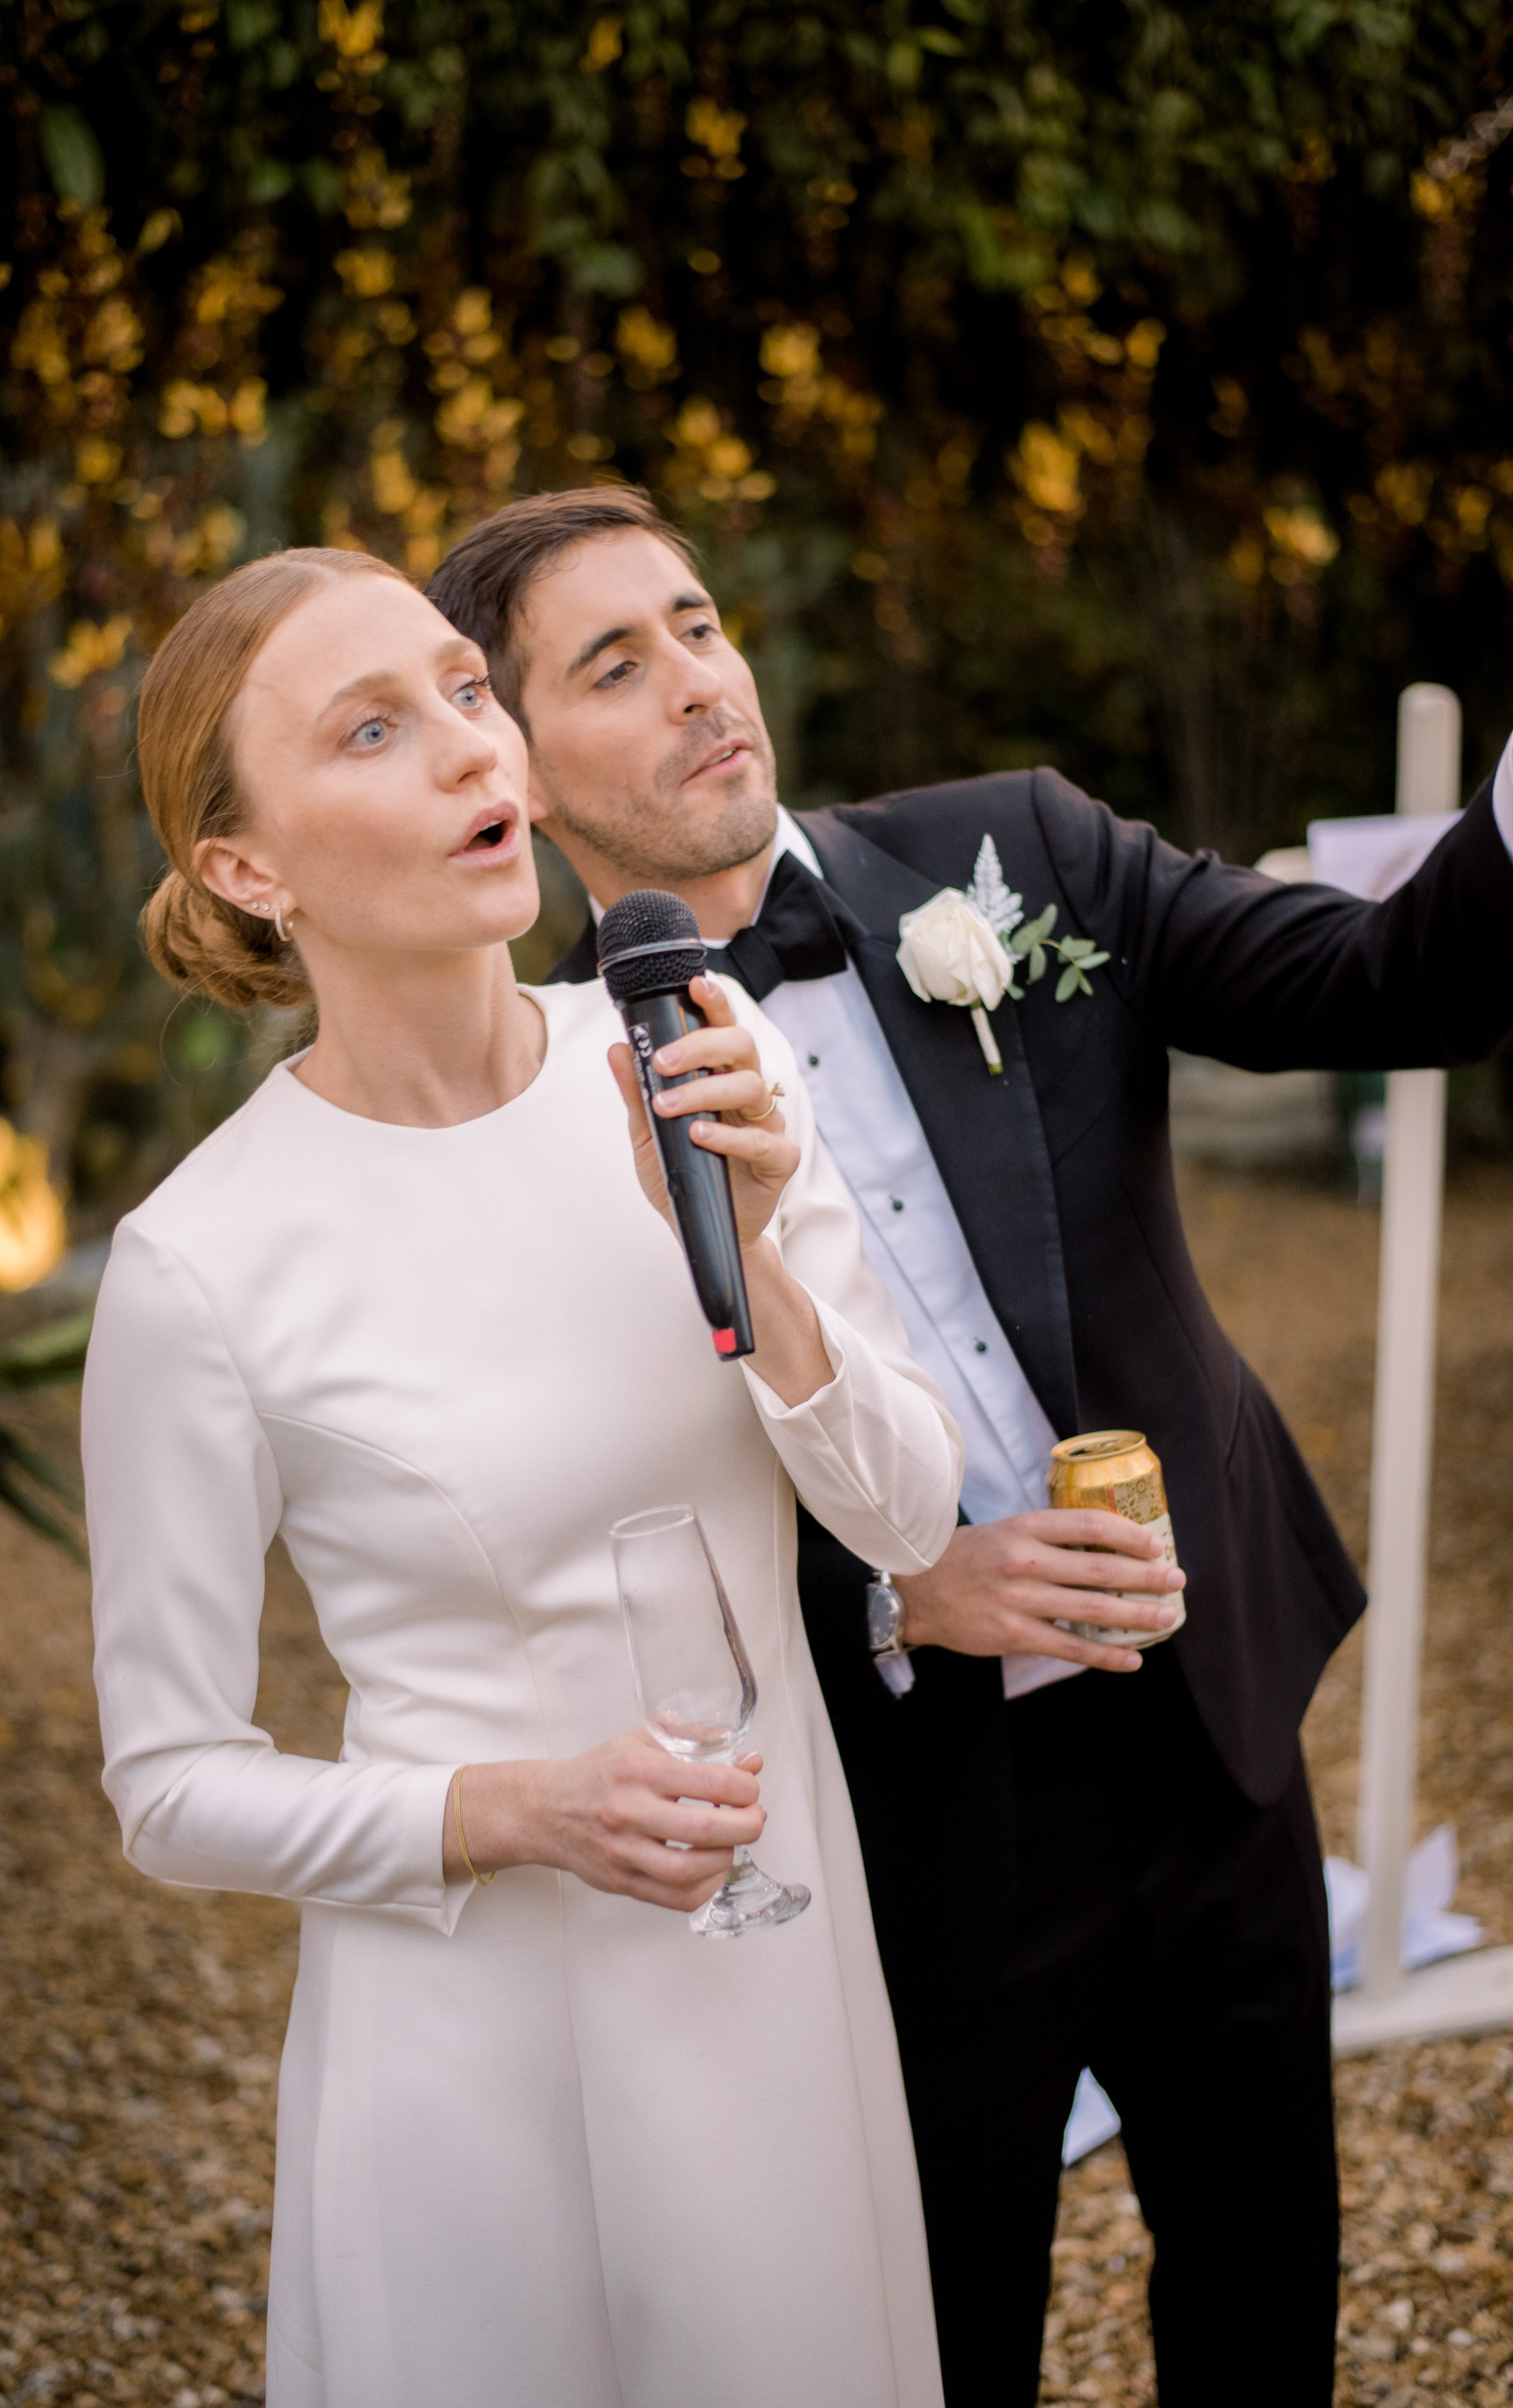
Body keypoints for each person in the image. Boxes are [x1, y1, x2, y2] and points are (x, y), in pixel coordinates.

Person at [428, 486, 1513, 2408]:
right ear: (509, 757)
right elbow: (597, 1531)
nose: (698, 681)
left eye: (697, 623)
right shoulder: (525, 1109)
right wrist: (902, 1589)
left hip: (1209, 1716)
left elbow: (1390, 980)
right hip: (903, 1804)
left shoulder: (1014, 854)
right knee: (941, 2341)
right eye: (616, 662)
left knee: (1268, 2296)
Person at [82, 546, 966, 2408]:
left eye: (468, 695)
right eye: (377, 729)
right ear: (247, 865)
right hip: (471, 2033)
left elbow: (910, 1514)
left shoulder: (690, 1057)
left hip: (773, 1976)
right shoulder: (203, 1263)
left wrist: (755, 1263)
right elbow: (169, 1784)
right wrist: (503, 1811)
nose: (469, 753)